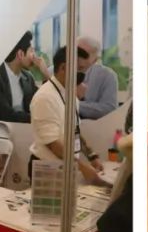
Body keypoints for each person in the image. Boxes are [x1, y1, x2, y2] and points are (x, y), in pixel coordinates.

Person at [29, 46, 104, 182]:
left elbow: (75, 131)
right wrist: (83, 168)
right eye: (80, 69)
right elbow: (53, 144)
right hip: (47, 171)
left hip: (66, 168)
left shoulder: (70, 95)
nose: (83, 75)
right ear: (63, 68)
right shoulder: (45, 98)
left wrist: (92, 156)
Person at [0, 31, 45, 122]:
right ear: (20, 54)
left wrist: (45, 73)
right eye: (31, 51)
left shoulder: (28, 78)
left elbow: (42, 102)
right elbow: (6, 115)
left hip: (25, 128)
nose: (35, 56)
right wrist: (38, 119)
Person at [76, 37, 119, 120]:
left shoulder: (107, 76)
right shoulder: (56, 71)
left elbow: (109, 109)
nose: (79, 58)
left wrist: (74, 105)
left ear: (95, 59)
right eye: (77, 53)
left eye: (84, 55)